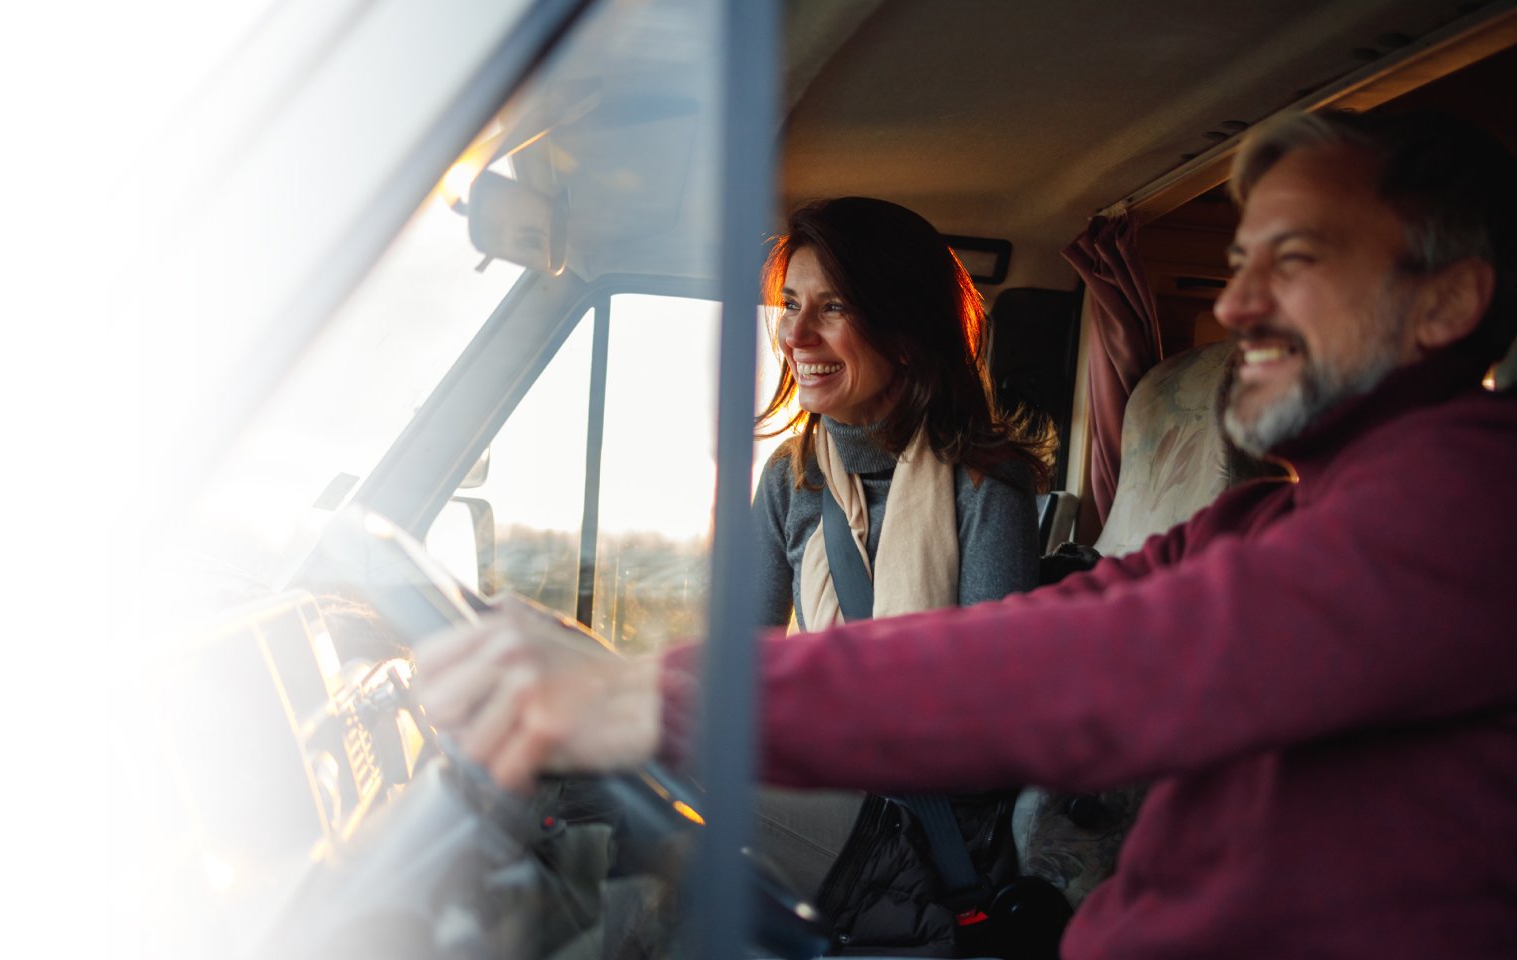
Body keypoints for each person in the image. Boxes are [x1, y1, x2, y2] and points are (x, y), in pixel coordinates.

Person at [414, 108, 1517, 959]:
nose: (1233, 310)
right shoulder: (1264, 516)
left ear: (1446, 303)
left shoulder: (1470, 504)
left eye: (1298, 260)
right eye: (1236, 265)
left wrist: (641, 698)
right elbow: (1075, 621)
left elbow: (1088, 668)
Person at [747, 197, 1050, 949]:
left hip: (934, 831)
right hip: (831, 794)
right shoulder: (791, 481)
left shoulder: (986, 485)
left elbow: (990, 732)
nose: (796, 333)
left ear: (908, 334)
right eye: (790, 305)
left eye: (834, 306)